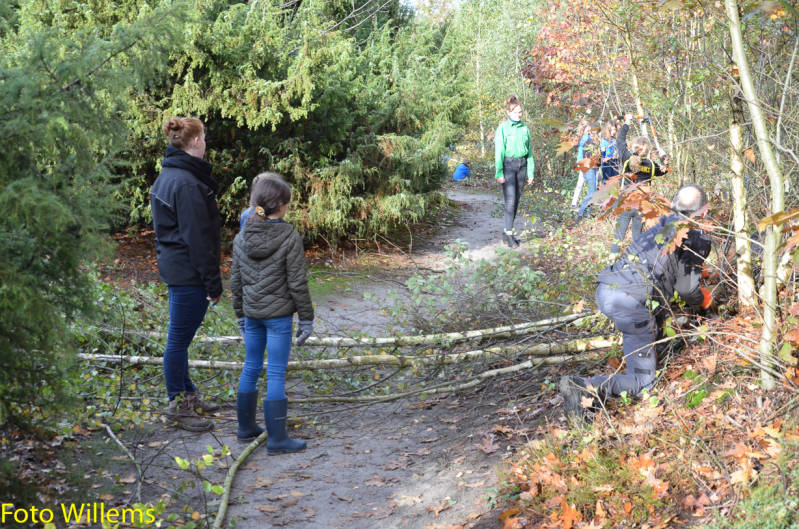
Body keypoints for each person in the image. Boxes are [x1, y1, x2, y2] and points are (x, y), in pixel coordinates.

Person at [560, 184, 713, 420]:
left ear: (673, 205)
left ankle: (588, 401)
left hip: (607, 290)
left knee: (652, 330)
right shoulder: (696, 235)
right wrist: (704, 300)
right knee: (644, 382)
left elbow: (661, 267)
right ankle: (587, 387)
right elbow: (686, 290)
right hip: (630, 303)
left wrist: (695, 273)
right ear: (703, 211)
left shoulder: (659, 223)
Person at [230, 174, 314, 454]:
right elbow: (297, 283)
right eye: (287, 204)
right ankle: (277, 439)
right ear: (279, 205)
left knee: (251, 367)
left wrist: (240, 315)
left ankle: (245, 429)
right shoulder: (289, 236)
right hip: (278, 318)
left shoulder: (241, 238)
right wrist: (306, 318)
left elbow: (236, 281)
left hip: (252, 315)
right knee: (276, 373)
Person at [150, 117, 222, 432]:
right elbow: (198, 238)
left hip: (178, 269)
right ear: (194, 142)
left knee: (180, 339)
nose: (205, 144)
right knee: (178, 341)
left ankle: (188, 396)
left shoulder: (170, 175)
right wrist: (212, 282)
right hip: (187, 273)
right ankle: (177, 405)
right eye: (203, 138)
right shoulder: (185, 183)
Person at [610, 114, 669, 255]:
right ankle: (636, 261)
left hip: (626, 201)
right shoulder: (652, 165)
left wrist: (627, 123)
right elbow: (663, 171)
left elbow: (620, 140)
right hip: (642, 204)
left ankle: (612, 261)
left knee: (619, 235)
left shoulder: (626, 158)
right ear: (647, 150)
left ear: (634, 147)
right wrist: (665, 162)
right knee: (638, 236)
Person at [494, 96, 534, 247]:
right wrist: (499, 173)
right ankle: (509, 234)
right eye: (516, 112)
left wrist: (531, 172)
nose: (519, 115)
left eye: (520, 112)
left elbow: (529, 152)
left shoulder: (524, 128)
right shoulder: (503, 128)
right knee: (510, 201)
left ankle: (507, 231)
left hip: (522, 166)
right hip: (508, 166)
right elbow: (499, 151)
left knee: (516, 200)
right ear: (509, 113)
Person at [575, 122, 601, 222]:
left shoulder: (597, 141)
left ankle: (588, 213)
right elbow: (584, 152)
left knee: (592, 190)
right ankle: (581, 212)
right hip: (588, 169)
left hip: (594, 169)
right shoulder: (587, 140)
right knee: (592, 192)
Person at [569, 119, 592, 209]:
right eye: (588, 127)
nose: (590, 129)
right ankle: (576, 203)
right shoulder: (585, 137)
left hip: (584, 162)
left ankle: (575, 203)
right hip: (583, 163)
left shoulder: (584, 136)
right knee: (584, 183)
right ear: (584, 128)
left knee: (581, 183)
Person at [599, 120, 619, 185]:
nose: (614, 132)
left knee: (615, 185)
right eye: (612, 130)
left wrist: (617, 155)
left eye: (615, 130)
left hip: (615, 164)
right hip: (607, 165)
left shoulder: (615, 141)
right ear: (608, 130)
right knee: (606, 185)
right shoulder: (604, 142)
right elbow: (602, 157)